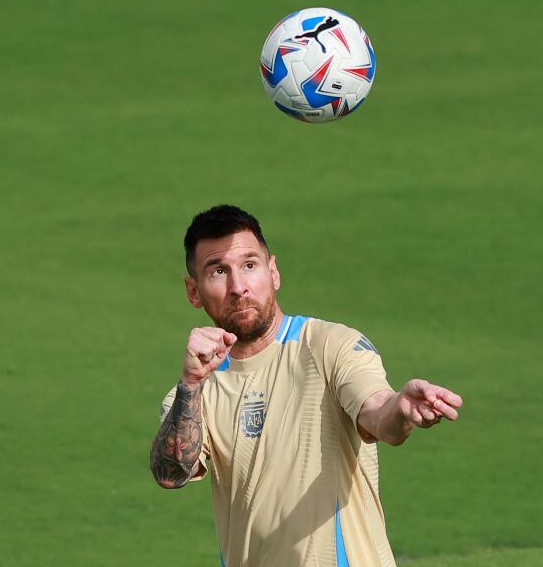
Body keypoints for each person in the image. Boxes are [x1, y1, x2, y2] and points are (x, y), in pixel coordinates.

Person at [149, 204, 463, 567]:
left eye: (250, 265)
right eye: (219, 271)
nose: (238, 287)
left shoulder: (331, 346)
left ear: (273, 272)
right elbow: (170, 474)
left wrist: (403, 410)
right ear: (194, 291)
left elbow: (379, 417)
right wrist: (189, 384)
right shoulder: (197, 388)